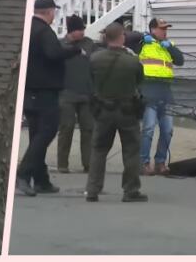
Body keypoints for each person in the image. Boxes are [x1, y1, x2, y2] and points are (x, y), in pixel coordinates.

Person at [16, 0, 81, 197]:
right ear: (50, 12)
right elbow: (53, 53)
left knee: (37, 133)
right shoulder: (44, 31)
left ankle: (41, 179)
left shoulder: (29, 28)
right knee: (48, 131)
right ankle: (23, 174)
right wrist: (74, 51)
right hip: (45, 90)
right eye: (54, 12)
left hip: (29, 89)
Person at [86, 22, 148, 203]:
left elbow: (90, 82)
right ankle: (130, 190)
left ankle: (92, 189)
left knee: (98, 150)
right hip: (127, 110)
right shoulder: (132, 61)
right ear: (122, 37)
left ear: (106, 38)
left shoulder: (95, 59)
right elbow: (140, 81)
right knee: (131, 150)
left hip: (103, 110)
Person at [135, 18, 184, 175]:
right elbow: (129, 40)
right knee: (148, 129)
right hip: (148, 91)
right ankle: (143, 163)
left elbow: (180, 60)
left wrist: (170, 47)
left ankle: (160, 162)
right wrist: (143, 38)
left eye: (166, 29)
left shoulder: (168, 45)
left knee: (168, 130)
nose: (165, 31)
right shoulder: (143, 43)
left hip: (165, 92)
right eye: (162, 28)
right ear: (153, 29)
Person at [57, 15, 97, 173]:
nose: (82, 32)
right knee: (66, 128)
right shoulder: (61, 45)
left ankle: (89, 163)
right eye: (79, 30)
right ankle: (62, 164)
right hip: (66, 92)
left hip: (86, 93)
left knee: (88, 129)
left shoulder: (89, 44)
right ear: (71, 31)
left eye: (83, 29)